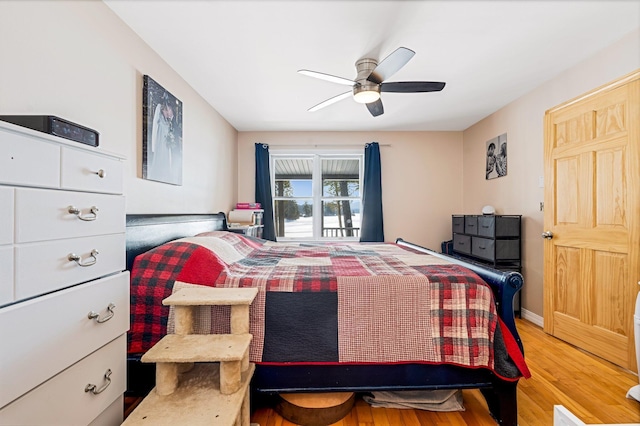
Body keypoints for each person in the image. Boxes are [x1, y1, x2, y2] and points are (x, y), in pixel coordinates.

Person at [148, 93, 178, 183]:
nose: (170, 113)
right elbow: (155, 129)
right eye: (169, 110)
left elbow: (172, 126)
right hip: (160, 143)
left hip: (166, 146)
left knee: (166, 162)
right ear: (166, 109)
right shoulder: (159, 118)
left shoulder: (167, 121)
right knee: (160, 160)